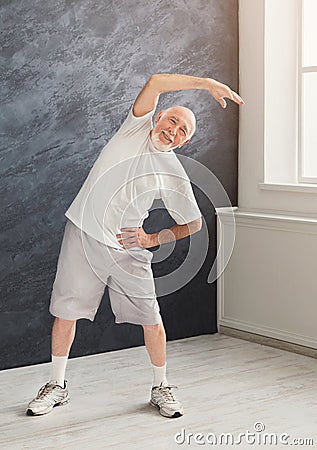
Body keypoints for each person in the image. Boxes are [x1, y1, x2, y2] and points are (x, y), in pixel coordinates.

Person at [26, 74, 244, 418]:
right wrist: (207, 84)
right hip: (84, 232)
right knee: (66, 312)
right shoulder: (134, 129)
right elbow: (157, 81)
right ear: (158, 118)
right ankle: (56, 386)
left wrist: (152, 239)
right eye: (172, 120)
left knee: (151, 319)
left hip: (129, 248)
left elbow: (195, 222)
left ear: (183, 143)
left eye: (183, 131)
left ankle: (162, 387)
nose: (174, 129)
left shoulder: (172, 171)